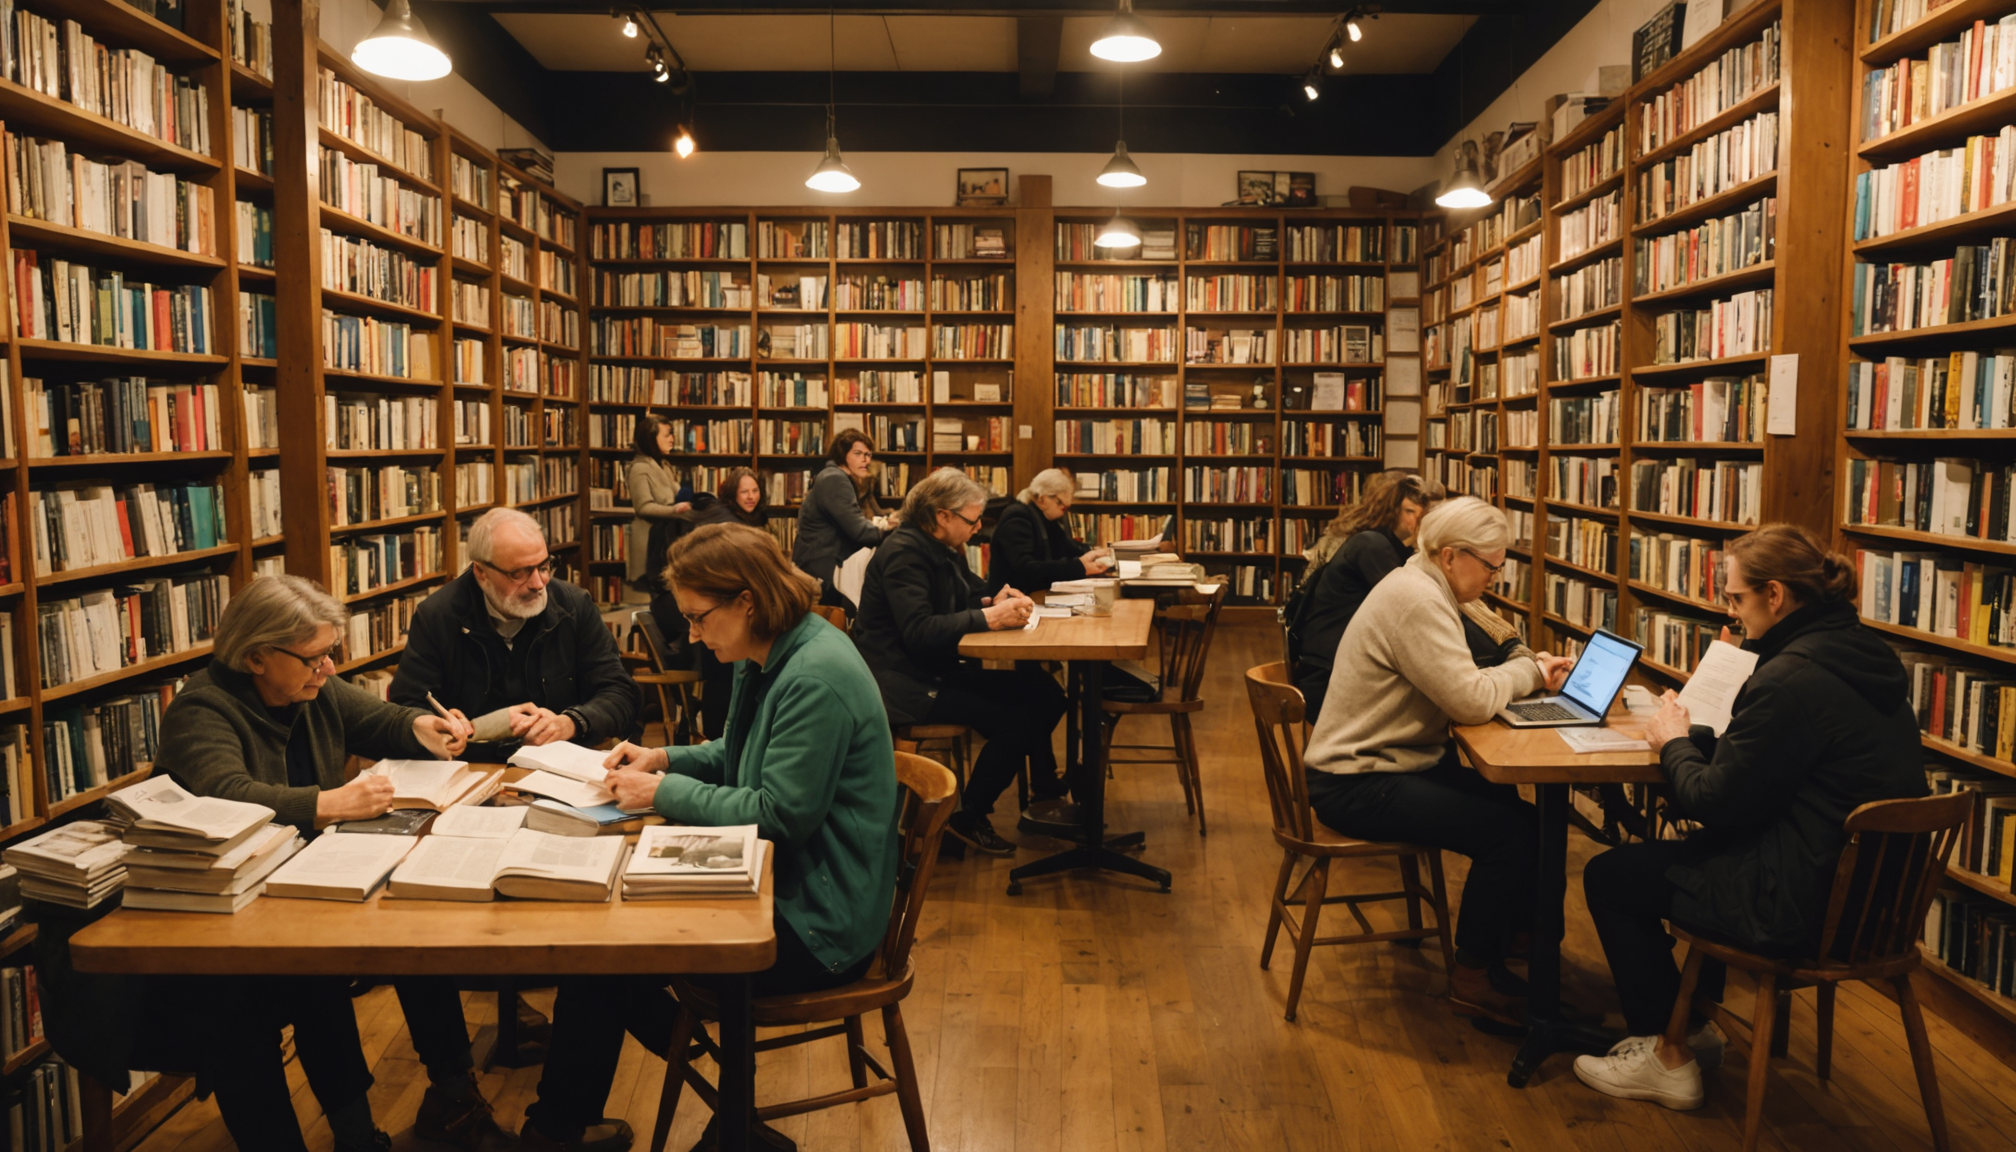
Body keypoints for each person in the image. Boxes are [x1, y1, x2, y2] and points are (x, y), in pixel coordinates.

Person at [514, 524, 899, 1152]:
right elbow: (742, 751)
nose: (691, 634)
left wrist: (659, 793)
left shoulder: (813, 675)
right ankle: (709, 1093)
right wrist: (664, 759)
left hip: (821, 919)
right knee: (604, 952)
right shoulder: (772, 647)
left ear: (746, 600)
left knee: (604, 957)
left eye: (698, 617)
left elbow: (779, 814)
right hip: (788, 879)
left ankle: (593, 1121)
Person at [1571, 524, 1927, 1110]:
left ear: (1776, 595)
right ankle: (1691, 1030)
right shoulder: (1863, 655)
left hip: (1797, 906)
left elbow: (1712, 801)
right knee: (1697, 852)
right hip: (1873, 906)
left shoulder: (1790, 678)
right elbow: (1778, 767)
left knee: (1612, 876)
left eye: (1736, 598)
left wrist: (1672, 740)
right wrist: (1698, 744)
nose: (1731, 613)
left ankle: (1670, 1053)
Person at [154, 576, 501, 1152]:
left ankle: (395, 1120)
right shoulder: (202, 708)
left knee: (408, 935)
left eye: (330, 653)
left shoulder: (311, 689)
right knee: (267, 1010)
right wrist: (328, 803)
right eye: (314, 657)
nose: (329, 669)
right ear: (256, 657)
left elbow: (379, 720)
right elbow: (225, 793)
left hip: (299, 884)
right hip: (219, 914)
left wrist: (422, 727)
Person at [1302, 497, 1573, 1027]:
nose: (1496, 577)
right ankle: (1473, 977)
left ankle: (1519, 943)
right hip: (1357, 779)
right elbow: (1470, 699)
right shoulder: (1418, 600)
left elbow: (1463, 677)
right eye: (1491, 565)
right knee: (1508, 834)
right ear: (1451, 556)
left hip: (1392, 762)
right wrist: (1534, 673)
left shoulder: (1423, 581)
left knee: (1524, 816)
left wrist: (1515, 672)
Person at [852, 467, 1067, 855]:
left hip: (931, 670)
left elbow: (965, 595)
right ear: (942, 516)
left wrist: (993, 600)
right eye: (972, 520)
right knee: (1016, 716)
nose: (978, 527)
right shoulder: (904, 554)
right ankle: (968, 816)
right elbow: (919, 629)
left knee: (1046, 692)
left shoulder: (938, 549)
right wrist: (989, 617)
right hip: (903, 685)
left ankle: (1017, 797)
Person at [390, 508, 640, 763]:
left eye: (544, 567)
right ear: (481, 573)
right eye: (519, 573)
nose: (538, 583)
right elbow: (406, 708)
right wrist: (437, 723)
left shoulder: (573, 606)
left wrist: (572, 722)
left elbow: (620, 692)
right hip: (473, 767)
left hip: (561, 764)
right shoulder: (437, 617)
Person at [793, 429, 888, 608]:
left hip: (819, 567)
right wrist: (892, 533)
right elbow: (859, 531)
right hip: (819, 572)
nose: (866, 460)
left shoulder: (834, 476)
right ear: (843, 455)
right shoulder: (835, 479)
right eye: (858, 454)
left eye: (868, 455)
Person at [986, 468, 1112, 594]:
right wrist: (1080, 567)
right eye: (1060, 503)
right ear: (1042, 498)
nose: (1063, 511)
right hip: (1009, 598)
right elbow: (1027, 571)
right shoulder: (1017, 517)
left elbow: (1068, 548)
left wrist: (1095, 554)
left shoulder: (1046, 518)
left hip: (1031, 595)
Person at [627, 413, 690, 594]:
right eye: (667, 434)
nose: (672, 439)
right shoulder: (639, 469)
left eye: (672, 434)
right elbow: (643, 507)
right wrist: (676, 511)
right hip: (650, 544)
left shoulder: (664, 465)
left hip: (667, 539)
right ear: (651, 439)